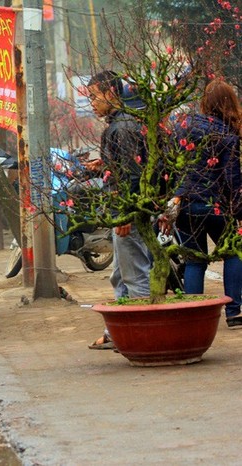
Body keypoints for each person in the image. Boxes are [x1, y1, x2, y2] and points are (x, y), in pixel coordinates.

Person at [161, 79, 242, 328]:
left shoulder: (184, 128)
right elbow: (231, 178)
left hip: (185, 206)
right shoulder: (227, 134)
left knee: (195, 259)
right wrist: (239, 211)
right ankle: (234, 311)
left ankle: (192, 315)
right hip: (215, 205)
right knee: (233, 251)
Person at [84, 70, 151, 350]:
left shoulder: (122, 128)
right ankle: (117, 332)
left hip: (128, 212)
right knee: (120, 274)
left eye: (94, 96)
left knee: (134, 275)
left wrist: (125, 214)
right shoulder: (121, 125)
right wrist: (105, 166)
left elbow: (133, 176)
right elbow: (125, 169)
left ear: (112, 93)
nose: (92, 103)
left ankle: (143, 335)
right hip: (123, 209)